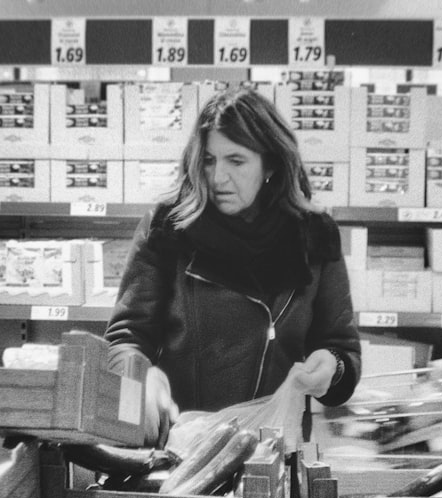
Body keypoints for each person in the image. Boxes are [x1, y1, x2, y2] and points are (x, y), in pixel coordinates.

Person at [104, 87, 361, 443]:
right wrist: (140, 379)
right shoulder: (168, 228)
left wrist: (332, 367)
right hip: (180, 446)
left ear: (270, 163)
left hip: (274, 449)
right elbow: (126, 337)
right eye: (209, 160)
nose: (217, 177)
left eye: (235, 161)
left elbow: (340, 344)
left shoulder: (314, 236)